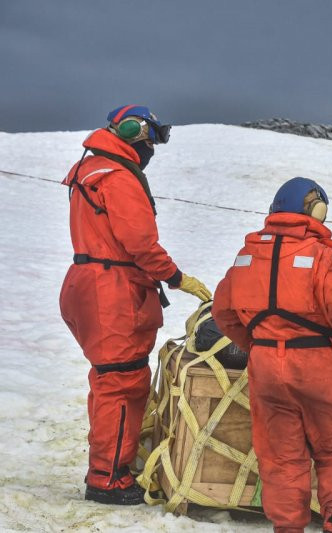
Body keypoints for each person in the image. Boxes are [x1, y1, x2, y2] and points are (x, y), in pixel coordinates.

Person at [60, 105, 212, 505]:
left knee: (109, 380)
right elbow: (140, 244)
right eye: (150, 142)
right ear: (136, 135)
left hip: (87, 283)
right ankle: (108, 478)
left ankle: (107, 466)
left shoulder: (89, 169)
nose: (151, 152)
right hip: (112, 291)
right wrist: (177, 278)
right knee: (123, 385)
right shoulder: (119, 178)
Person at [212, 177, 332, 533]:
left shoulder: (246, 255)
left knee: (281, 455)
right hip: (317, 363)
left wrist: (256, 344)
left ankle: (288, 527)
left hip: (266, 367)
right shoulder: (322, 256)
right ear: (316, 210)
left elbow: (222, 313)